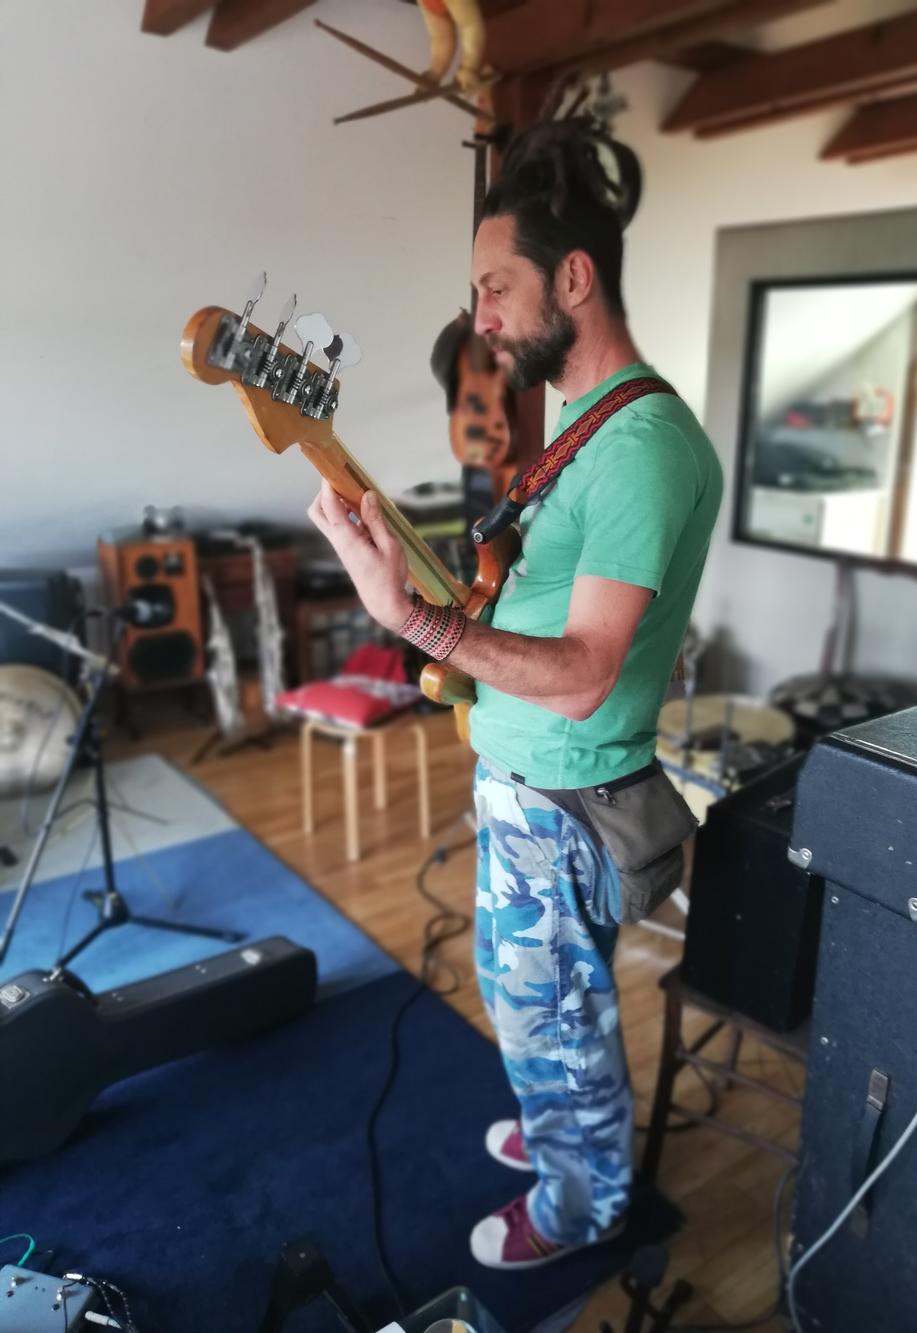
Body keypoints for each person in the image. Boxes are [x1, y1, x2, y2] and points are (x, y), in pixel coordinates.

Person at [308, 119, 723, 1272]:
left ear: (572, 278)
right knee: (522, 994)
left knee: (560, 1020)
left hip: (564, 792)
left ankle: (584, 1203)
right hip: (521, 781)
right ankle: (558, 1132)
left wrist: (414, 620)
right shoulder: (584, 433)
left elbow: (586, 673)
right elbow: (529, 608)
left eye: (496, 286)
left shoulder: (639, 446)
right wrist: (419, 582)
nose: (481, 316)